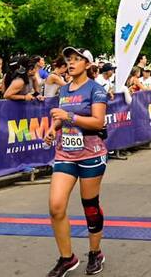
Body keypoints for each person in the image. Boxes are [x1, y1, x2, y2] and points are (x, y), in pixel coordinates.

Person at [44, 47, 109, 277]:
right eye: (68, 59)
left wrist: (69, 117)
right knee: (56, 206)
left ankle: (95, 252)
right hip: (65, 154)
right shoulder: (64, 90)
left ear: (88, 65)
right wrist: (53, 129)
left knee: (90, 206)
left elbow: (98, 122)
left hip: (91, 153)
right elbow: (61, 119)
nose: (71, 63)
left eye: (76, 60)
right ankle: (67, 258)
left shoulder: (96, 89)